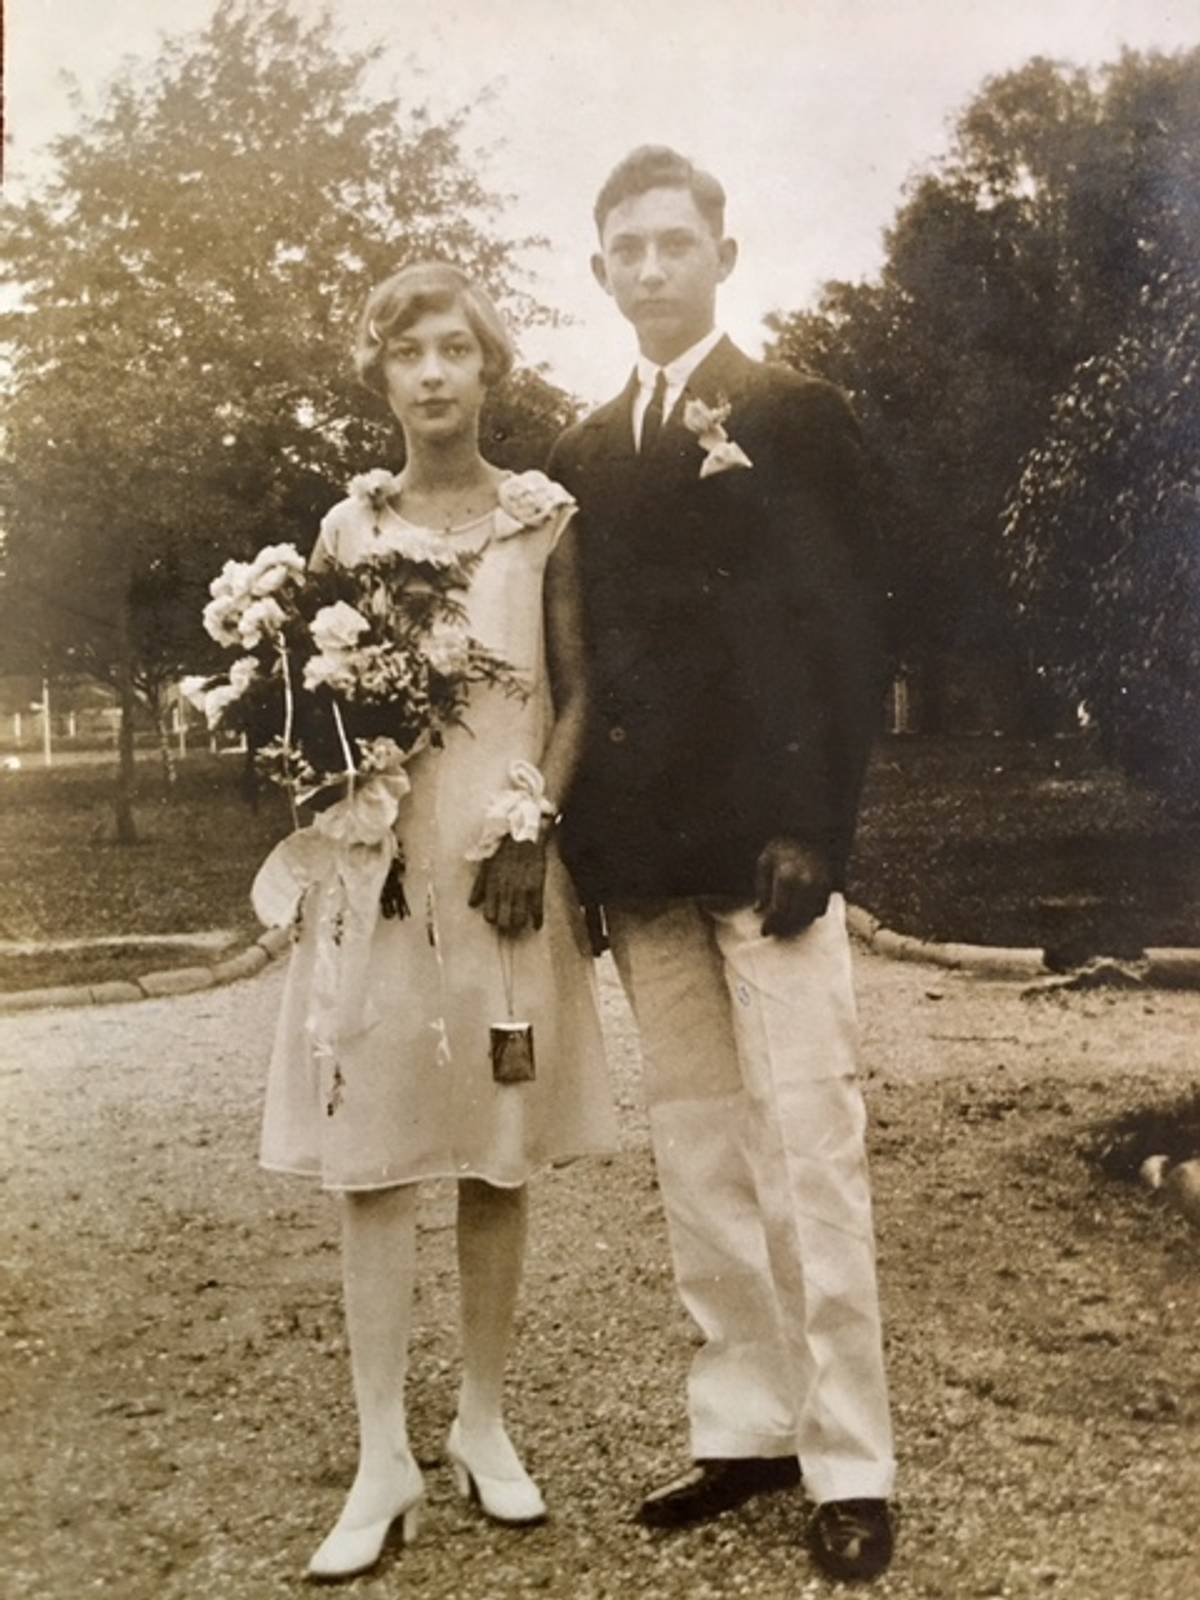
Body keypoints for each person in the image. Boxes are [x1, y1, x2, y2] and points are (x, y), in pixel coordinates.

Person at [548, 147, 896, 1583]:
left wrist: (818, 821)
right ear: (600, 272)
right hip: (643, 855)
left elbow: (855, 631)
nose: (648, 267)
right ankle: (743, 1429)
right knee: (697, 1144)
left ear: (723, 256)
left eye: (672, 243)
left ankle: (852, 1459)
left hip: (771, 846)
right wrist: (575, 849)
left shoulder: (797, 416)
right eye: (623, 247)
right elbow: (572, 666)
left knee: (808, 1142)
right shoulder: (578, 454)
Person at [259, 262, 618, 1582]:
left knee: (492, 1143)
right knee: (373, 1154)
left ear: (487, 368)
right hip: (381, 874)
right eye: (407, 350)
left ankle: (481, 1420)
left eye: (454, 347)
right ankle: (379, 1454)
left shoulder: (542, 521)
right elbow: (313, 715)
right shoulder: (345, 529)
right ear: (382, 375)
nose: (431, 372)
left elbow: (577, 691)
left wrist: (532, 827)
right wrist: (346, 822)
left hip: (502, 865)